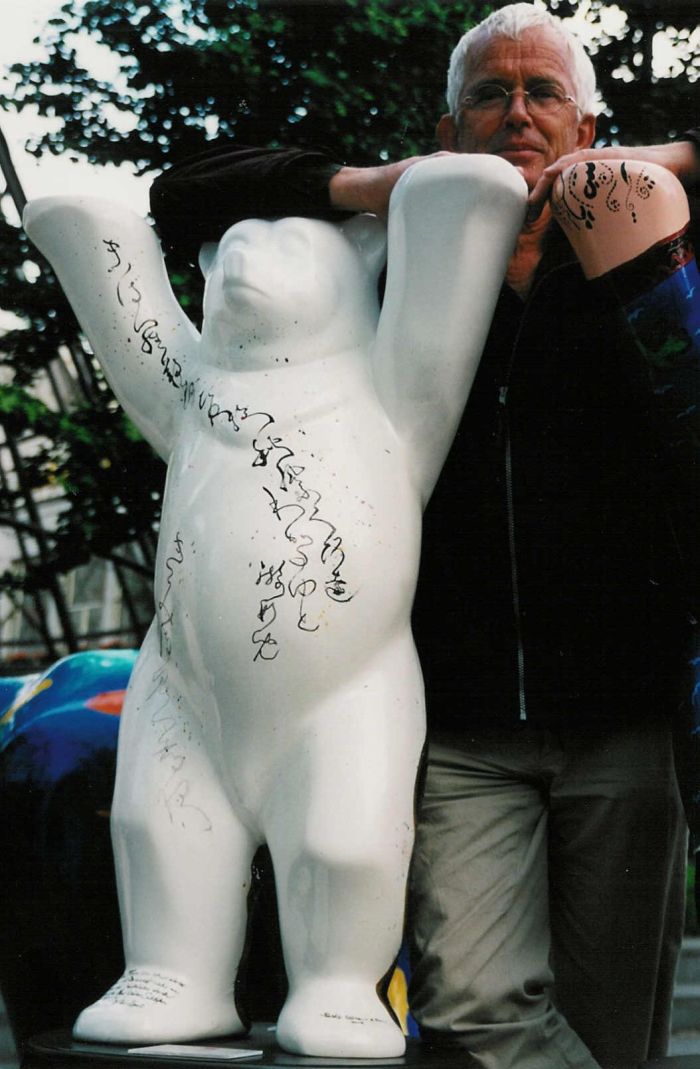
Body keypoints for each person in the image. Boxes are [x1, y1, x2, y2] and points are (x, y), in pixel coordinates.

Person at [149, 5, 700, 1067]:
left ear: (588, 126)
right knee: (473, 1011)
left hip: (622, 710)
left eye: (544, 94)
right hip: (459, 716)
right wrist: (372, 186)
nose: (517, 114)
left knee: (611, 1027)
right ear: (448, 134)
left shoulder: (645, 252)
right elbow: (183, 194)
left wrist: (649, 164)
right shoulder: (390, 264)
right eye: (489, 95)